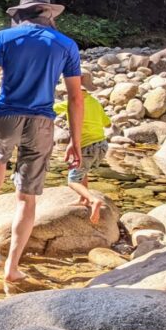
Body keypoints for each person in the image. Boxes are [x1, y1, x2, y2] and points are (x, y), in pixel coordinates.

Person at [0, 0, 84, 290]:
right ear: (48, 13)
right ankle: (12, 266)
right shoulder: (65, 44)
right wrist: (75, 139)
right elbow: (76, 96)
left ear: (21, 13)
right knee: (27, 196)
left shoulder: (4, 38)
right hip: (42, 120)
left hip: (5, 114)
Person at [53, 70, 111, 224]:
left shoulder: (69, 103)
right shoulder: (95, 102)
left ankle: (92, 200)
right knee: (82, 171)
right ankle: (83, 199)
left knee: (73, 180)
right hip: (102, 145)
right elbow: (107, 122)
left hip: (86, 146)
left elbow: (50, 110)